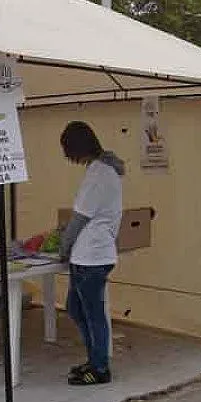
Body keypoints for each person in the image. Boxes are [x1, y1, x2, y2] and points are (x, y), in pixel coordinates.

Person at [58, 121, 124, 385]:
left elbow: (79, 219)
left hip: (90, 256)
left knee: (91, 312)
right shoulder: (107, 171)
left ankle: (99, 368)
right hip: (94, 253)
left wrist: (63, 246)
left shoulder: (98, 174)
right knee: (76, 308)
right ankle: (94, 359)